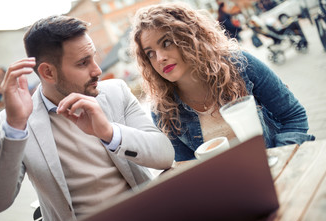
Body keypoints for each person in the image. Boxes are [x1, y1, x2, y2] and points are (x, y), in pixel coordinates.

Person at [0, 15, 174, 221]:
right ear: (48, 72)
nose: (97, 70)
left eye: (93, 57)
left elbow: (165, 155)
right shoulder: (16, 123)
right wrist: (14, 126)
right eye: (83, 63)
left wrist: (108, 132)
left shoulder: (116, 92)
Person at [129, 2, 315, 162]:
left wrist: (280, 158)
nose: (159, 58)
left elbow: (293, 115)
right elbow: (188, 166)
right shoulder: (163, 110)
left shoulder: (239, 64)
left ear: (189, 37)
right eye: (150, 53)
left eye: (166, 42)